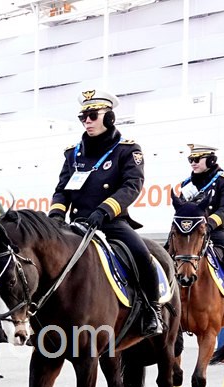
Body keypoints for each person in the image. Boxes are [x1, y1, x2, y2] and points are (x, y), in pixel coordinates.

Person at [48, 89, 160, 335]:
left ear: (109, 118)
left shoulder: (127, 150)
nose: (86, 121)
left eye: (92, 115)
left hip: (110, 223)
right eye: (82, 117)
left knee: (143, 257)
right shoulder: (73, 153)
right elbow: (62, 189)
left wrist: (104, 211)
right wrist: (56, 215)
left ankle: (152, 310)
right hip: (75, 225)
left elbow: (132, 186)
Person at [175, 144, 224, 319]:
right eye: (190, 160)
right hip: (189, 233)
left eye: (196, 159)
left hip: (215, 230)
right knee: (165, 254)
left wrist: (208, 224)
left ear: (211, 159)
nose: (192, 163)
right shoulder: (187, 184)